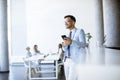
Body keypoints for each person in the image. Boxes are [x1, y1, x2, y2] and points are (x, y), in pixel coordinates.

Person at [62, 15, 86, 80]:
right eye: (65, 22)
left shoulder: (80, 31)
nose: (65, 23)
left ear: (73, 22)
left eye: (68, 21)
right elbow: (64, 49)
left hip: (74, 61)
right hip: (66, 60)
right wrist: (64, 45)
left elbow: (83, 44)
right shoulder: (66, 33)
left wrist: (71, 42)